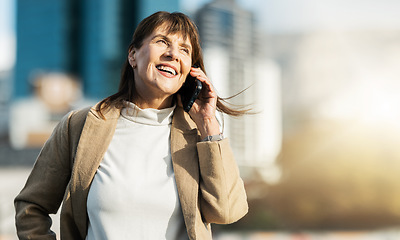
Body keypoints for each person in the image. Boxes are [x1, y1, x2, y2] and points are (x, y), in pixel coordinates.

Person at [14, 11, 248, 240]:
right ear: (133, 55)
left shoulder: (200, 136)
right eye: (162, 42)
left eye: (184, 50)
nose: (173, 54)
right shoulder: (79, 125)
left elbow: (227, 211)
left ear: (189, 71)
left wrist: (208, 123)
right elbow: (31, 207)